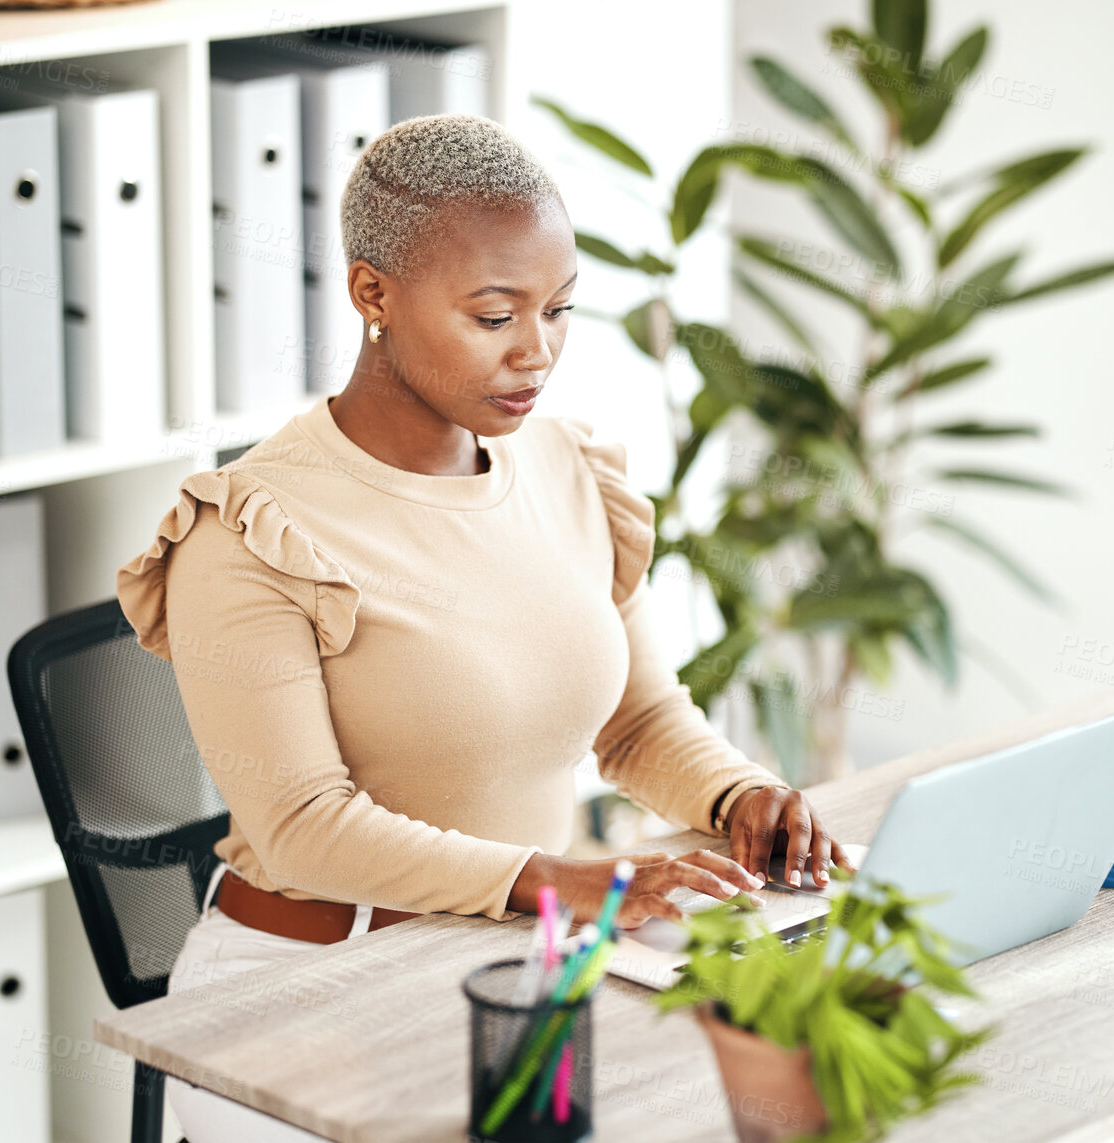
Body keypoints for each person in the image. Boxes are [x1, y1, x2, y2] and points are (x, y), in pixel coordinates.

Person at [115, 113, 852, 1142]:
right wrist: (561, 882)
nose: (536, 353)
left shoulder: (565, 471)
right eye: (495, 315)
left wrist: (738, 795)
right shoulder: (249, 529)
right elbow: (301, 827)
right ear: (374, 293)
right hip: (309, 990)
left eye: (559, 311)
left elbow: (637, 724)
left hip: (518, 960)